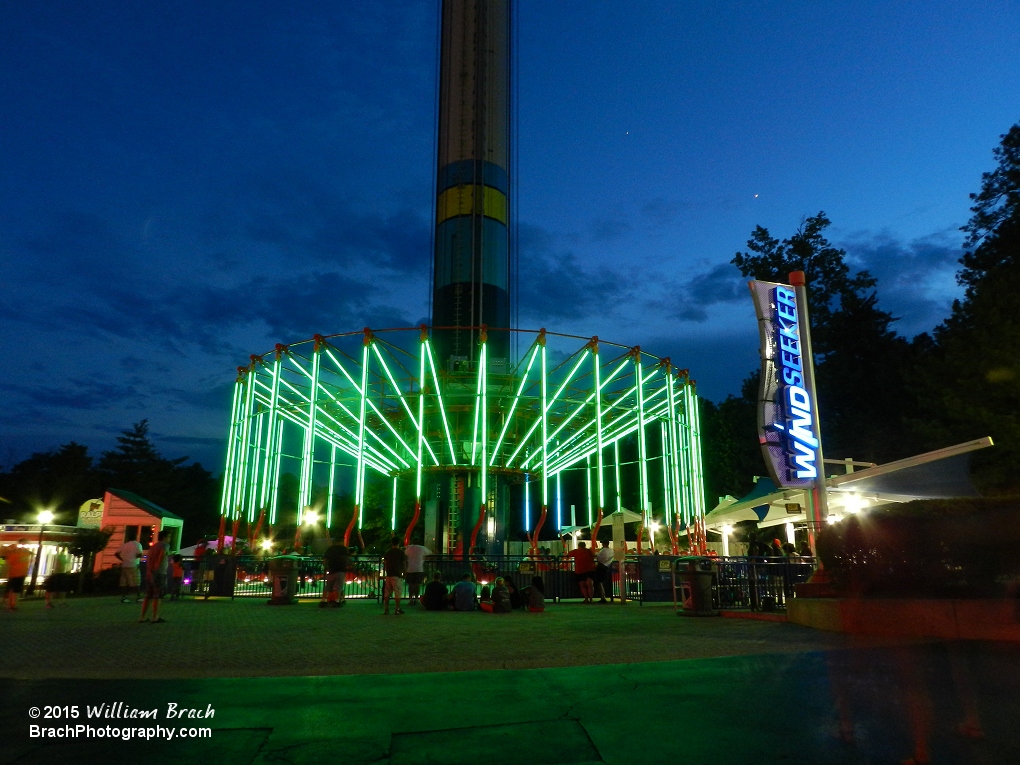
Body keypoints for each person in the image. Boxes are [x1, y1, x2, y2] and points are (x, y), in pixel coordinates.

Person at [140, 530, 170, 623]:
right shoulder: (165, 545)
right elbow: (162, 554)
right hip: (159, 573)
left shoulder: (152, 547)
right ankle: (155, 617)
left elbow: (149, 559)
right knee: (158, 595)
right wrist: (157, 565)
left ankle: (143, 617)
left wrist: (149, 571)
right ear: (164, 537)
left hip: (150, 573)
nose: (170, 539)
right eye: (169, 537)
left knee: (148, 595)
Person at [2, 539, 33, 611]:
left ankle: (13, 605)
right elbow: (8, 563)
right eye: (24, 543)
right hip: (14, 574)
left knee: (16, 590)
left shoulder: (26, 553)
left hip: (21, 574)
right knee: (13, 590)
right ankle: (11, 605)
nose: (25, 545)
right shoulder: (15, 552)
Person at [115, 529, 143, 603]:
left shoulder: (125, 545)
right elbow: (139, 554)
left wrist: (122, 559)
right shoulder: (137, 544)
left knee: (124, 582)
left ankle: (124, 598)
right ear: (136, 537)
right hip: (134, 565)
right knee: (136, 581)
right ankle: (139, 597)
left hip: (125, 565)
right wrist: (138, 556)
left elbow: (116, 553)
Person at [321, 539, 350, 609]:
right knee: (339, 587)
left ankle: (324, 600)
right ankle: (336, 601)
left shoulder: (330, 549)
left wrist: (326, 567)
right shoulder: (344, 549)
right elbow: (347, 558)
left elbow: (325, 559)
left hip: (331, 569)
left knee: (328, 586)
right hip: (341, 569)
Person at [381, 537, 407, 615]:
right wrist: (404, 572)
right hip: (397, 574)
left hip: (389, 574)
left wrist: (386, 572)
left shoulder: (388, 552)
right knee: (398, 592)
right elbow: (403, 563)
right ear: (398, 543)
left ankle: (386, 609)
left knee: (387, 592)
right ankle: (397, 608)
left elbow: (385, 563)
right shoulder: (401, 552)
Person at [404, 537, 432, 605]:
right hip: (419, 569)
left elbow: (404, 554)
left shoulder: (408, 548)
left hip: (410, 569)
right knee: (417, 585)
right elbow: (430, 553)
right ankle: (416, 599)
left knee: (410, 585)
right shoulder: (421, 548)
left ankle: (411, 599)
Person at [595, 539, 615, 603]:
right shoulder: (612, 551)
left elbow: (598, 558)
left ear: (604, 544)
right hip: (607, 567)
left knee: (599, 582)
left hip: (601, 567)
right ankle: (605, 596)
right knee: (604, 582)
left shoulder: (603, 551)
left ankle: (603, 597)